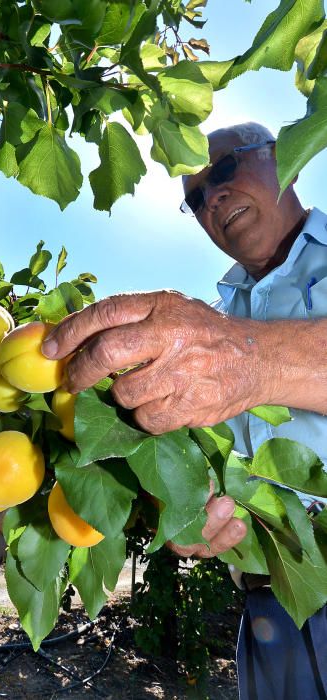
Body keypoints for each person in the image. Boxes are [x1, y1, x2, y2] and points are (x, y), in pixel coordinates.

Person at [41, 122, 327, 699]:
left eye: (223, 171)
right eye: (195, 198)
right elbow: (212, 475)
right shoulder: (218, 314)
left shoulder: (220, 334)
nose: (211, 198)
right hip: (271, 604)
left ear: (287, 160)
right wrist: (188, 505)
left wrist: (252, 359)